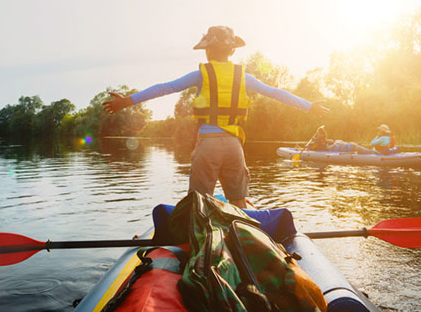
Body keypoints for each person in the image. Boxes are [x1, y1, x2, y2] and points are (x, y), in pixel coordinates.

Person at [103, 26, 328, 208]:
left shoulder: (201, 74)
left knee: (198, 204)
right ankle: (245, 244)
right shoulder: (244, 77)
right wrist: (310, 106)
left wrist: (127, 101)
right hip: (234, 146)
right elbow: (277, 93)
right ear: (232, 52)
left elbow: (165, 88)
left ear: (208, 51)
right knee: (239, 202)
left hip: (208, 145)